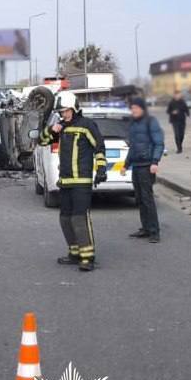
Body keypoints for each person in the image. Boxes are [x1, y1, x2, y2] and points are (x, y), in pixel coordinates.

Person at [41, 91, 107, 271]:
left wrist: (101, 168)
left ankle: (87, 257)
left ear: (74, 108)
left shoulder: (87, 125)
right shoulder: (60, 126)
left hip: (82, 181)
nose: (63, 114)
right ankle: (74, 253)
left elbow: (99, 147)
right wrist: (50, 130)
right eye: (61, 112)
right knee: (65, 218)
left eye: (66, 111)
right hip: (66, 181)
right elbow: (42, 141)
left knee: (79, 218)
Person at [124, 97, 165, 242]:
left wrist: (155, 161)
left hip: (147, 166)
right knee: (140, 199)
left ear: (142, 108)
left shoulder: (150, 122)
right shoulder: (133, 124)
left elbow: (159, 143)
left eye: (135, 108)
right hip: (136, 166)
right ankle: (146, 228)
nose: (133, 110)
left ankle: (154, 231)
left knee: (147, 199)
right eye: (132, 108)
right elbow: (133, 147)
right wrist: (125, 165)